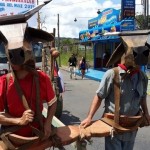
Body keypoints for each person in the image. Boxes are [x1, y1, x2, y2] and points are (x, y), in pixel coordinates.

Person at [81, 54, 150, 150]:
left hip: (132, 128)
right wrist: (89, 117)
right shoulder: (112, 74)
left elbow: (142, 97)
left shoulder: (142, 77)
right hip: (114, 129)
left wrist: (146, 113)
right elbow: (99, 96)